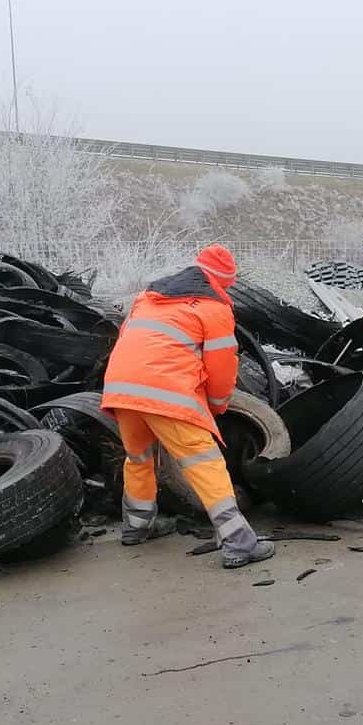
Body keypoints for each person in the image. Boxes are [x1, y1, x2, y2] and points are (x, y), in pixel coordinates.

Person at [101, 244, 275, 569]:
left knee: (138, 458)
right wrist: (218, 405)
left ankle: (136, 527)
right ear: (222, 281)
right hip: (166, 391)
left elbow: (131, 341)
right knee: (204, 462)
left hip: (121, 387)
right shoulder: (214, 307)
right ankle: (239, 542)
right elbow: (222, 368)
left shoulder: (148, 297)